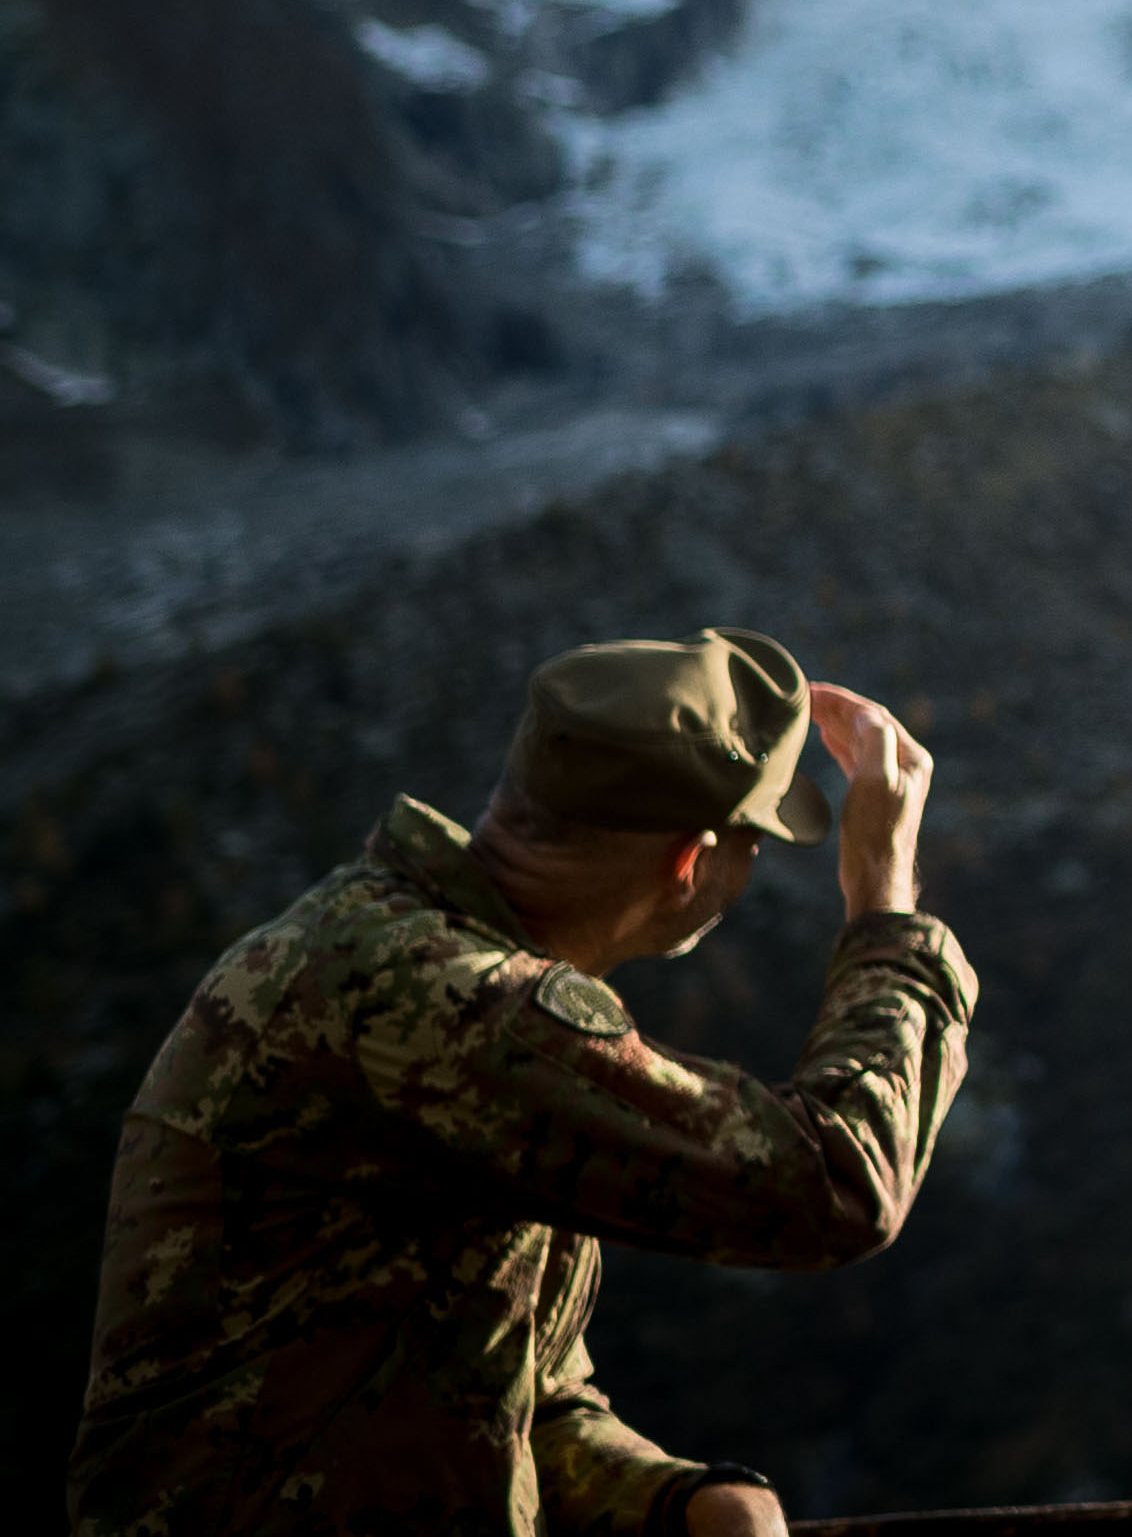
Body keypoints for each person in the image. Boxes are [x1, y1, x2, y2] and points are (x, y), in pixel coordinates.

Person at [70, 628, 967, 1536]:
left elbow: (496, 1379)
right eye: (754, 846)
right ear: (689, 862)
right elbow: (836, 1187)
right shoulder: (458, 1008)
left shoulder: (396, 953)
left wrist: (674, 1501)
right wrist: (884, 904)